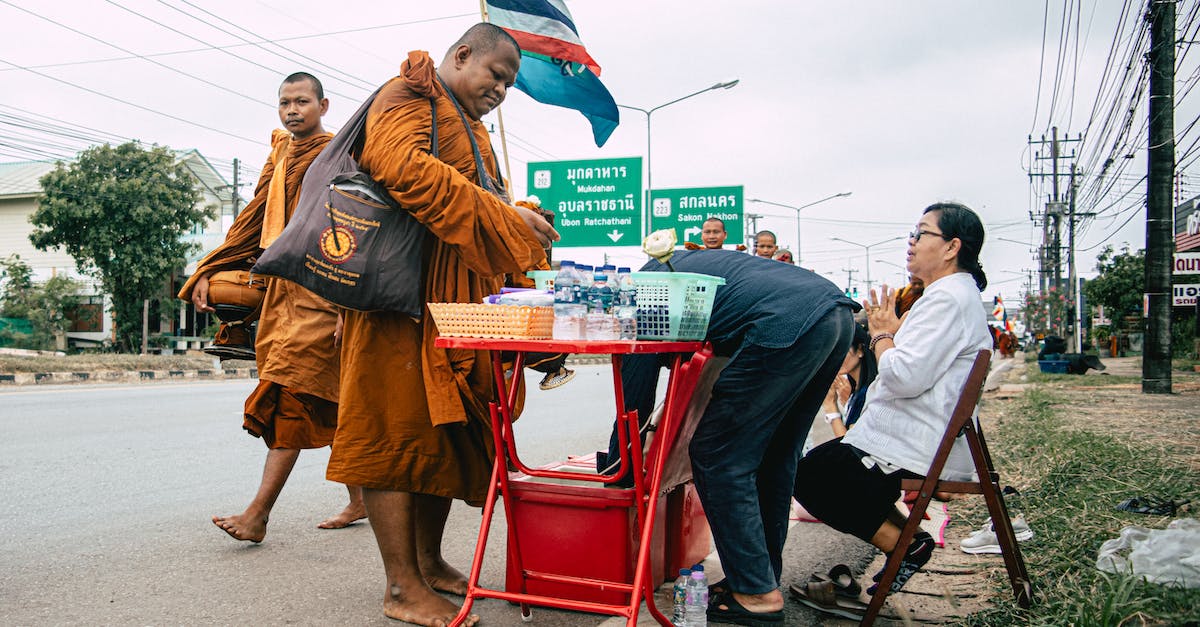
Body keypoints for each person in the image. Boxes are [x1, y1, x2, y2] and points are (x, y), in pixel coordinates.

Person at [323, 24, 557, 626]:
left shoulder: (472, 127)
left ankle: (427, 563)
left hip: (451, 306)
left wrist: (518, 216)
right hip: (397, 301)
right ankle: (400, 587)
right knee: (392, 438)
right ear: (461, 56)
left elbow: (482, 201)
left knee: (442, 435)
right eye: (495, 74)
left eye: (509, 82)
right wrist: (503, 216)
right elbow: (398, 166)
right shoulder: (409, 94)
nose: (502, 89)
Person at [609, 248, 858, 624]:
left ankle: (756, 593)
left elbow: (633, 400)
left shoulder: (645, 296)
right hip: (834, 316)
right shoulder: (678, 272)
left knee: (718, 454)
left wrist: (619, 470)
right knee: (775, 454)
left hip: (785, 323)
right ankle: (759, 579)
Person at [178, 72, 364, 543]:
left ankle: (258, 513)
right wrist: (209, 266)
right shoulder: (280, 153)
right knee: (331, 397)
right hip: (281, 291)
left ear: (324, 105)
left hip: (324, 289)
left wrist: (348, 304)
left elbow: (354, 227)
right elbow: (253, 219)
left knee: (290, 395)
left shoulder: (341, 155)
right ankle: (361, 497)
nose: (292, 110)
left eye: (302, 101)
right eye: (284, 103)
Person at [792, 202, 992, 608]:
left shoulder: (946, 300)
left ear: (952, 246)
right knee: (825, 463)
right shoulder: (950, 296)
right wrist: (897, 336)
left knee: (810, 476)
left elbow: (902, 377)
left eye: (922, 233)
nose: (911, 242)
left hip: (913, 439)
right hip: (914, 433)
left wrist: (883, 336)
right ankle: (911, 542)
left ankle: (901, 547)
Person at [821, 322, 877, 438]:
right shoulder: (858, 390)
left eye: (841, 350)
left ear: (860, 350)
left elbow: (850, 449)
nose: (835, 358)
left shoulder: (867, 393)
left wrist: (831, 407)